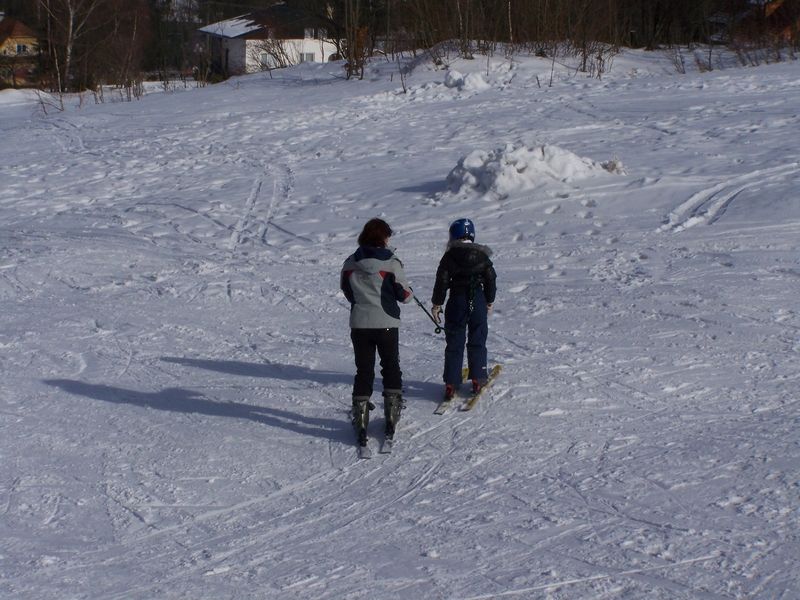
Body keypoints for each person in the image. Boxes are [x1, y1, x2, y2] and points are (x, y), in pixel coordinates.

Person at [340, 218, 413, 447]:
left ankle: (361, 418)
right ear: (383, 237)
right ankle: (391, 415)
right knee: (390, 365)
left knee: (364, 370)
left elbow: (347, 289)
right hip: (387, 323)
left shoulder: (351, 262)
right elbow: (404, 296)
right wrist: (407, 292)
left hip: (360, 323)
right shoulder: (391, 263)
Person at [431, 218, 497, 400]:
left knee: (455, 342)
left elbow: (441, 282)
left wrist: (437, 304)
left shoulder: (449, 256)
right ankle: (478, 378)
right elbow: (491, 280)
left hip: (457, 301)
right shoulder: (482, 255)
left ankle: (451, 383)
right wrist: (489, 302)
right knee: (478, 337)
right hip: (478, 299)